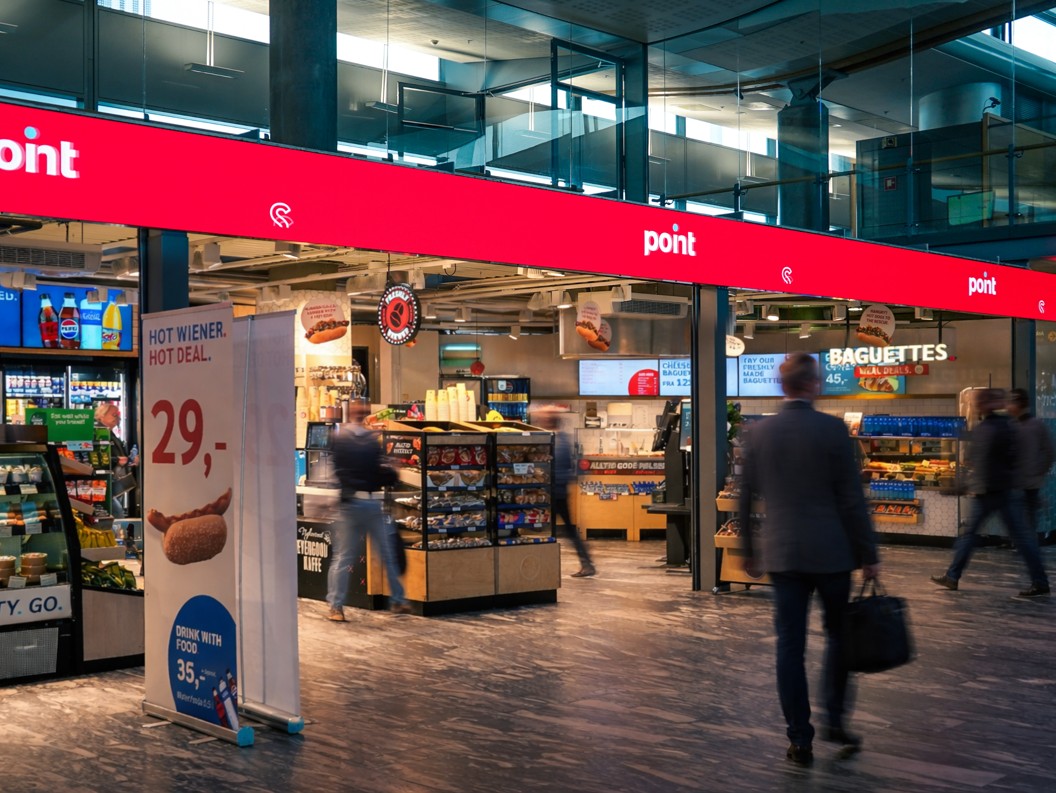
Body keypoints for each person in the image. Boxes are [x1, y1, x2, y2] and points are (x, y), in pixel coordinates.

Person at [739, 352, 880, 765]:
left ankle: (800, 738)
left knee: (789, 646)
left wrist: (749, 549)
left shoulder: (760, 433)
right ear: (814, 385)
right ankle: (835, 718)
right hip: (833, 553)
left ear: (783, 387)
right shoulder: (833, 430)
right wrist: (868, 553)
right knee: (839, 637)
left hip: (783, 554)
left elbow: (746, 497)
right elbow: (852, 499)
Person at [932, 389, 1050, 598]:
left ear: (984, 405)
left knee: (970, 536)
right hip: (1007, 490)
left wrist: (963, 486)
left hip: (989, 492)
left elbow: (980, 462)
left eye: (978, 402)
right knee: (1022, 538)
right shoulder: (1008, 425)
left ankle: (952, 576)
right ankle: (1040, 581)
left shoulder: (986, 428)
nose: (975, 405)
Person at [328, 399, 408, 620]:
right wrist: (393, 471)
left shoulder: (339, 438)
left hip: (349, 505)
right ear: (366, 416)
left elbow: (337, 471)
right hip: (372, 504)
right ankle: (398, 601)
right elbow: (381, 475)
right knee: (388, 554)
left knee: (343, 558)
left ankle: (336, 607)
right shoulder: (373, 442)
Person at [535, 412, 595, 578]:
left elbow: (553, 467)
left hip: (555, 492)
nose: (540, 419)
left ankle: (536, 566)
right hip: (556, 491)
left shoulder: (556, 441)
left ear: (548, 420)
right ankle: (586, 563)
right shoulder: (560, 438)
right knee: (561, 529)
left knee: (538, 526)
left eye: (543, 418)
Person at [1007, 388, 1055, 539]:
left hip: (1023, 482)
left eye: (1013, 402)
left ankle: (1025, 547)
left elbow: (1050, 453)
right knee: (1026, 519)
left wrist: (1038, 471)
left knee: (1023, 519)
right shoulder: (1022, 425)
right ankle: (1027, 547)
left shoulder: (1018, 426)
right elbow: (1049, 452)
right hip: (1026, 482)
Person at [95, 403, 137, 519]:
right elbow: (95, 456)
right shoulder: (98, 431)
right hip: (103, 482)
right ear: (102, 416)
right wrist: (116, 460)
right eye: (114, 414)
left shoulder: (108, 431)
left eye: (118, 415)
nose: (117, 417)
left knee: (116, 511)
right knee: (116, 512)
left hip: (112, 481)